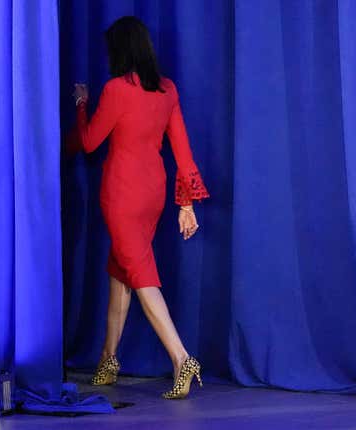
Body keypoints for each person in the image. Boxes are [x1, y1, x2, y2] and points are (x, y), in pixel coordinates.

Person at [70, 16, 210, 399]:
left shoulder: (116, 89)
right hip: (154, 193)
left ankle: (181, 358)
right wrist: (186, 204)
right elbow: (182, 149)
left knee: (142, 276)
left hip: (122, 194)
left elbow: (89, 142)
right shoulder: (167, 89)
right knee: (122, 272)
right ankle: (108, 360)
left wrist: (82, 105)